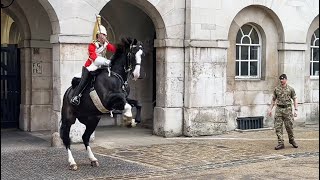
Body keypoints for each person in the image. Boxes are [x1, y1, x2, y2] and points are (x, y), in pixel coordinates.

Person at [70, 15, 116, 106]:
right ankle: (75, 96)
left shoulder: (106, 44)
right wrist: (107, 62)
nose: (103, 37)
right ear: (98, 36)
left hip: (102, 65)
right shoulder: (92, 45)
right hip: (91, 66)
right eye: (102, 35)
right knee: (85, 79)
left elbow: (114, 50)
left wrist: (108, 43)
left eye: (105, 35)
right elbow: (94, 58)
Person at [268, 74, 299, 150]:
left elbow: (295, 99)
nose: (281, 80)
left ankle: (292, 140)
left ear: (286, 79)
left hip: (287, 110)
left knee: (289, 126)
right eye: (280, 79)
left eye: (283, 79)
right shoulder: (277, 89)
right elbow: (273, 99)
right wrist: (270, 109)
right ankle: (280, 143)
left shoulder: (290, 89)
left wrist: (296, 110)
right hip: (279, 109)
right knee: (278, 127)